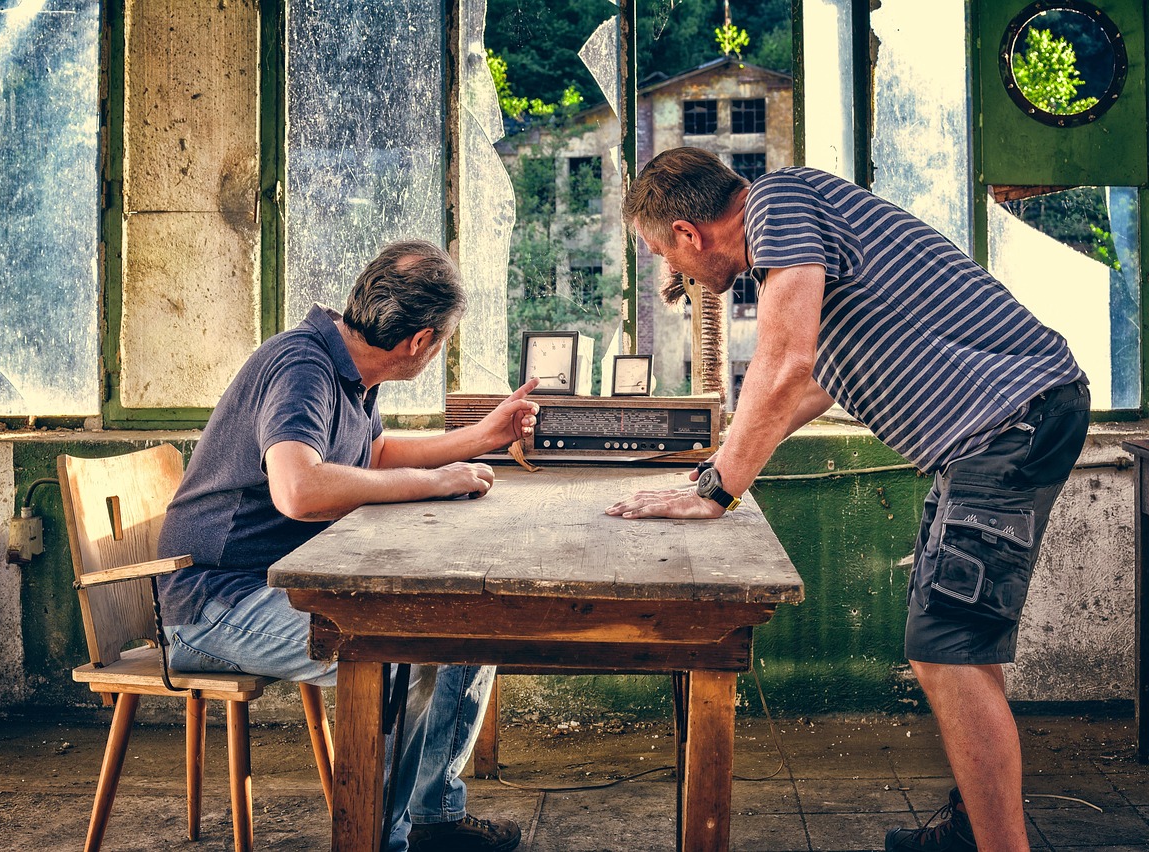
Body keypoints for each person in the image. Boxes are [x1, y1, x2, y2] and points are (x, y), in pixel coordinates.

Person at [606, 147, 1090, 852]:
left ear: (687, 233)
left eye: (662, 255)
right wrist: (717, 465)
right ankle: (973, 827)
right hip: (990, 436)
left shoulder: (778, 205)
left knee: (945, 649)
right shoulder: (802, 242)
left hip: (1009, 424)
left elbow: (784, 362)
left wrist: (719, 490)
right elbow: (807, 387)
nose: (672, 274)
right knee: (961, 643)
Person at [157, 240, 537, 852]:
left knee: (469, 624)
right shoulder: (302, 368)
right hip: (214, 605)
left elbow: (373, 456)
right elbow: (298, 489)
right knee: (397, 654)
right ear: (420, 341)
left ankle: (433, 813)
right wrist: (435, 482)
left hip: (277, 586)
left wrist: (480, 437)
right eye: (440, 342)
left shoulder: (351, 371)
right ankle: (379, 840)